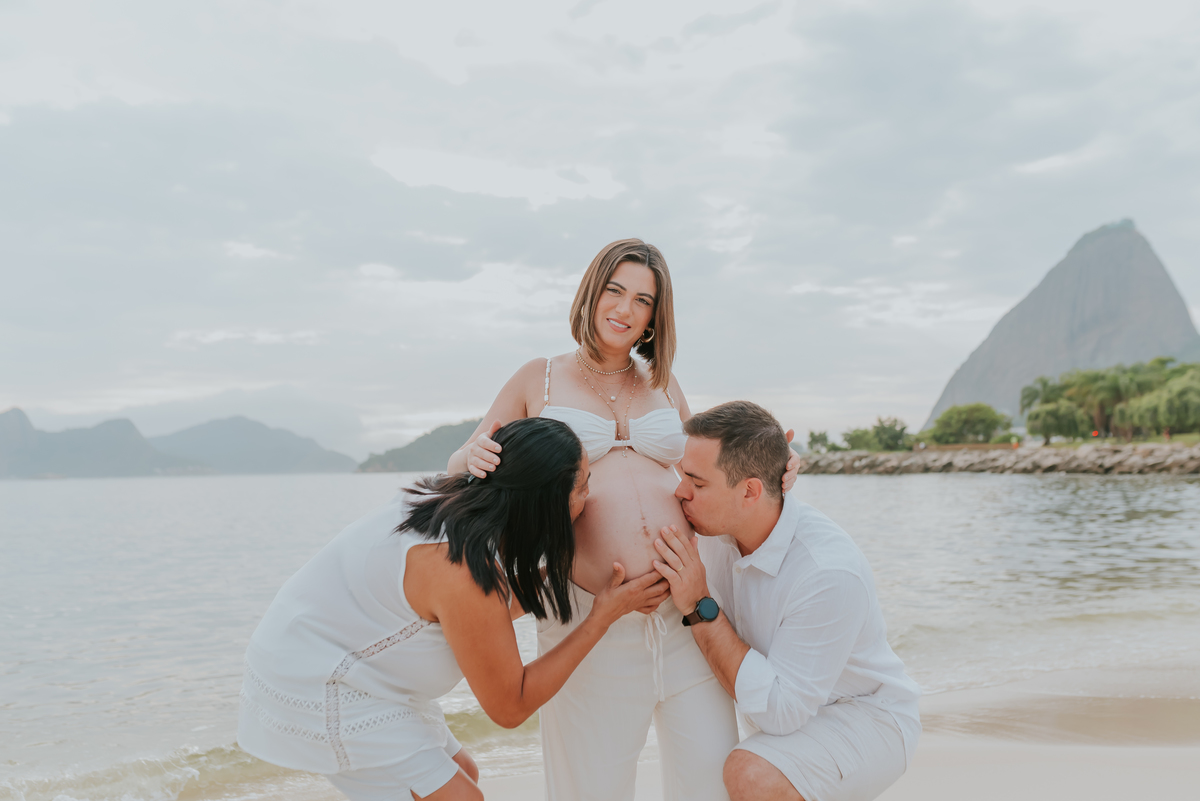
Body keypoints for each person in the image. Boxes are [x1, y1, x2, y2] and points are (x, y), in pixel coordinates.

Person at [449, 239, 801, 801]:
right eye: (615, 290)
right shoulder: (536, 377)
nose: (624, 308)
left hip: (687, 615)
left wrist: (777, 466)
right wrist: (471, 458)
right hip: (590, 618)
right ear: (591, 294)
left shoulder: (662, 380)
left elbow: (714, 461)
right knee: (591, 790)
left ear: (653, 318)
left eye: (642, 299)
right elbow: (462, 459)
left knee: (708, 784)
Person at [238, 418, 667, 801]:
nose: (589, 499)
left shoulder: (458, 504)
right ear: (545, 500)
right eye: (582, 486)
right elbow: (510, 706)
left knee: (464, 772)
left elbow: (477, 620)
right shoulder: (460, 568)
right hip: (318, 683)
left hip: (338, 659)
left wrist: (557, 575)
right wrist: (600, 619)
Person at [651, 401, 921, 801]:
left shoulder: (827, 571)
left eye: (698, 482)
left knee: (750, 774)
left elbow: (780, 712)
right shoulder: (715, 528)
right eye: (682, 474)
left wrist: (699, 603)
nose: (680, 491)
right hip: (796, 708)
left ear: (750, 491)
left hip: (868, 717)